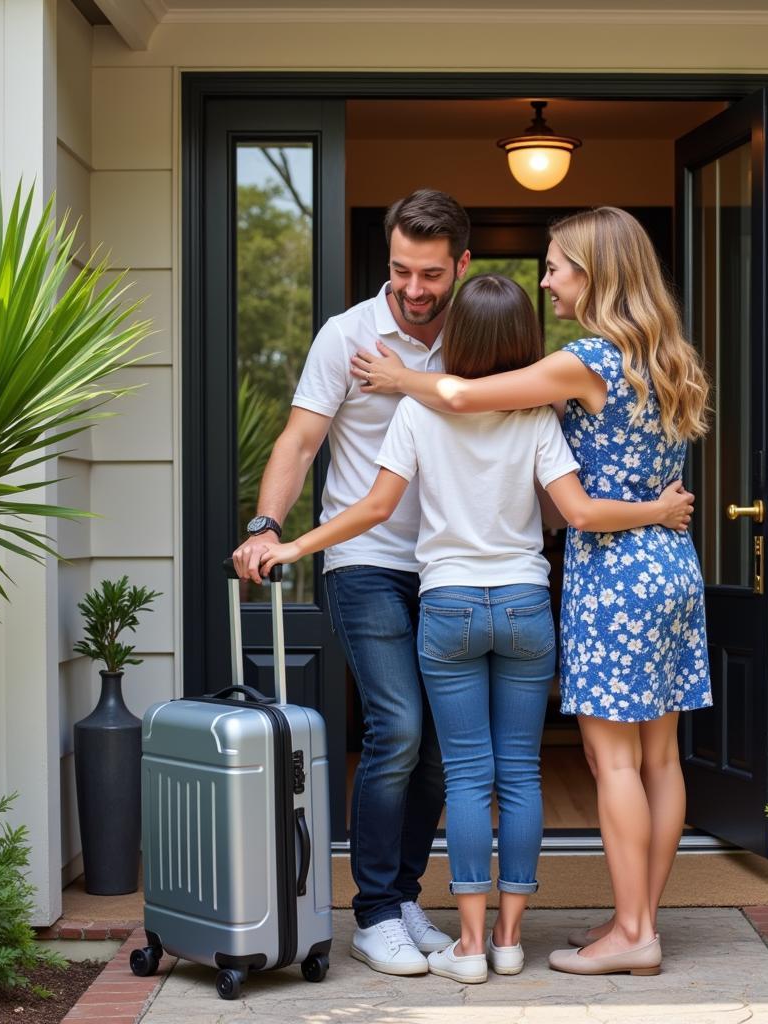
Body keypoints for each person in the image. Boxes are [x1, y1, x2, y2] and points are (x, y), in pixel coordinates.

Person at [256, 273, 694, 983]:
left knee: (465, 775)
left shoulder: (419, 415)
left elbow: (373, 510)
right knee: (520, 775)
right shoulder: (539, 420)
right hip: (524, 606)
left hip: (449, 607)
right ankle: (511, 938)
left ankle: (466, 945)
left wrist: (295, 546)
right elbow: (569, 510)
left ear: (456, 337)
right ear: (524, 345)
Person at [350, 206, 713, 977]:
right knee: (660, 760)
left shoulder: (587, 360)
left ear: (595, 273)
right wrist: (660, 510)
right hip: (673, 566)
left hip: (616, 572)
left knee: (611, 762)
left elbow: (462, 398)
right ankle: (635, 920)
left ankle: (634, 933)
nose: (545, 280)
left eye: (555, 266)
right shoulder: (668, 353)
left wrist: (398, 376)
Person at [231, 189, 472, 978]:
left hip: (448, 564)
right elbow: (301, 441)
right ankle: (371, 912)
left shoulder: (476, 334)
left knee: (438, 747)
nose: (412, 288)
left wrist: (409, 382)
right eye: (401, 269)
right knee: (398, 726)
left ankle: (403, 898)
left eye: (430, 273)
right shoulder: (347, 335)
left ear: (461, 266)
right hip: (363, 560)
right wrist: (269, 526)